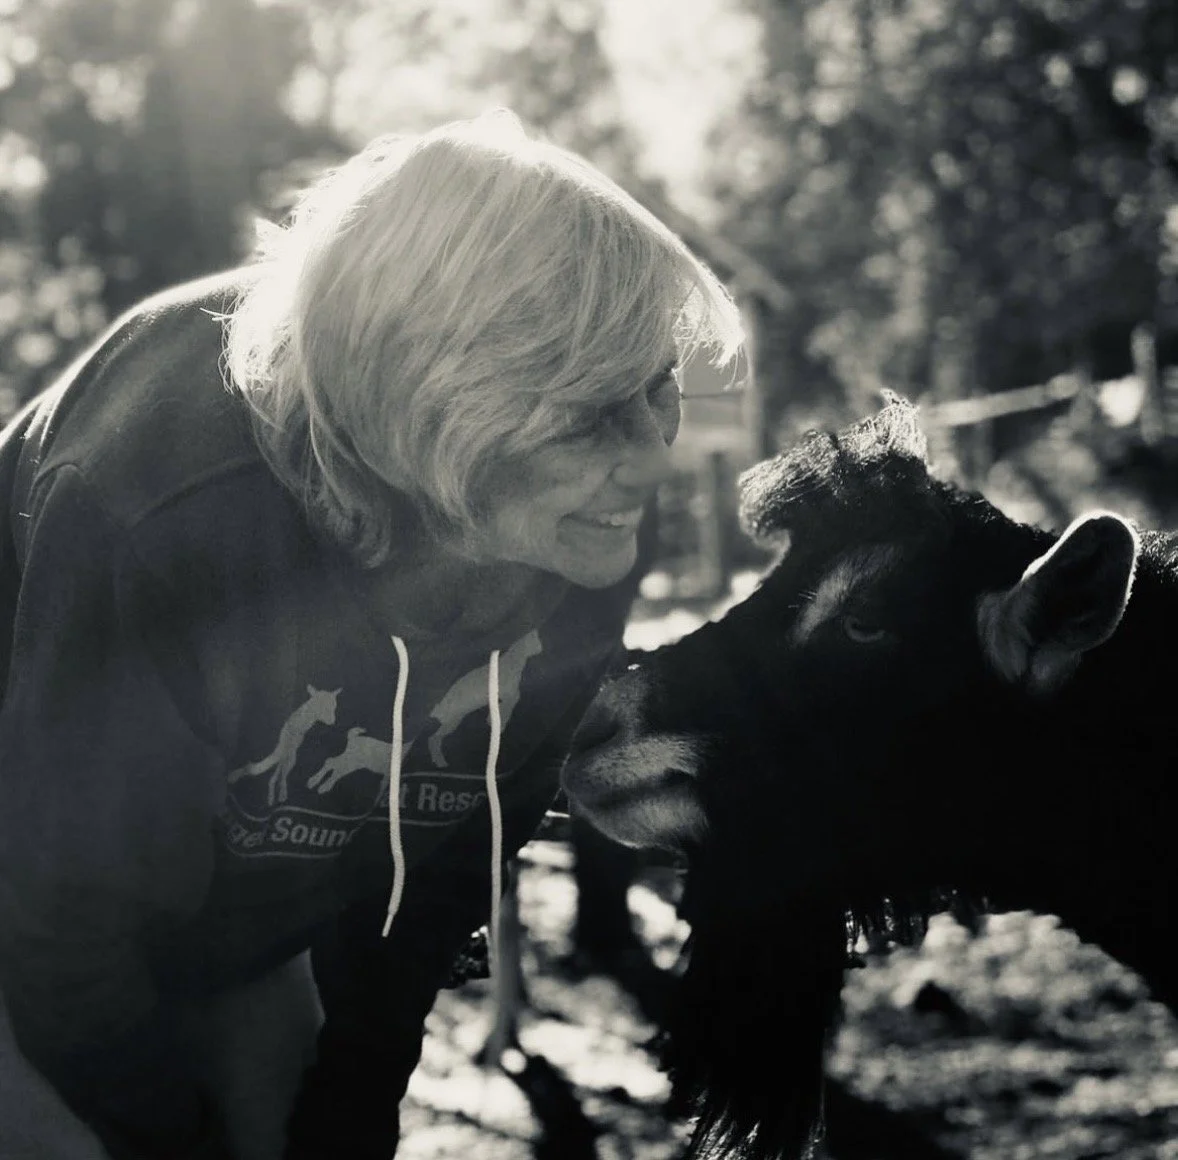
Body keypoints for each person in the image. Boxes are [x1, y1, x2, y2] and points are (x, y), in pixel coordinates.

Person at [0, 110, 743, 1160]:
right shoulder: (160, 511)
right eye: (589, 410)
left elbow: (451, 849)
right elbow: (66, 929)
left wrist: (359, 1086)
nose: (651, 456)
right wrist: (170, 1131)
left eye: (655, 388)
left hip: (214, 879)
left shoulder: (583, 524)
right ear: (434, 405)